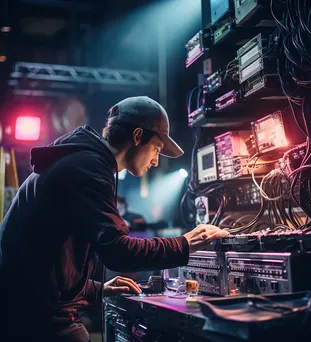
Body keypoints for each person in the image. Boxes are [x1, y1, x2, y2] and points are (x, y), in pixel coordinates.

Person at [0, 96, 228, 342]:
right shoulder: (88, 167)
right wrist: (185, 243)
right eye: (157, 150)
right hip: (34, 318)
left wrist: (97, 288)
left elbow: (48, 257)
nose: (155, 161)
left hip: (25, 307)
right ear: (138, 136)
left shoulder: (81, 161)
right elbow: (118, 252)